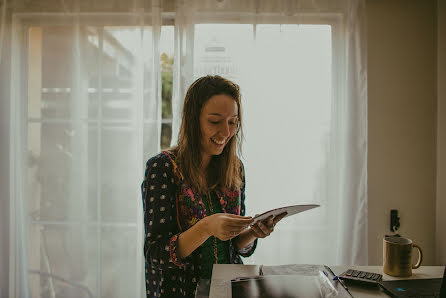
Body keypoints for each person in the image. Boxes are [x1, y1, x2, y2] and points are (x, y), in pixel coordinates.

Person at [141, 75, 285, 297]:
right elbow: (156, 255)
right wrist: (205, 227)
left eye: (232, 122)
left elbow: (234, 246)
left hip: (229, 290)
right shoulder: (163, 168)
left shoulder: (235, 169)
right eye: (215, 122)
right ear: (193, 120)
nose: (226, 133)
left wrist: (252, 233)